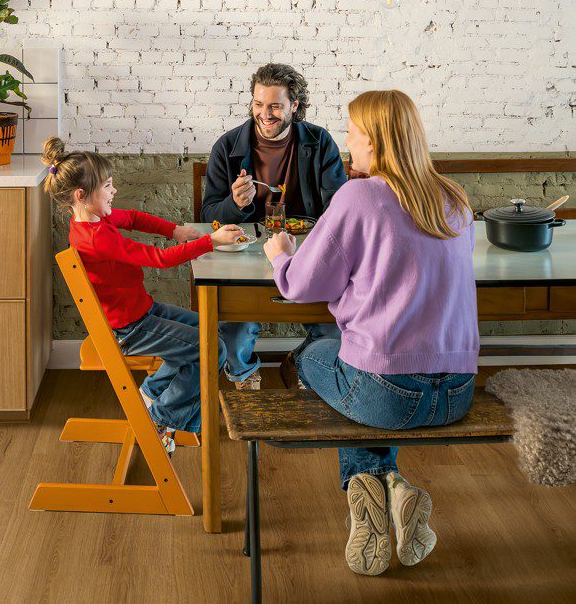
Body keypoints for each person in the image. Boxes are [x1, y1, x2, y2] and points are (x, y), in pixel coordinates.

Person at [263, 91, 478, 576]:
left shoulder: (360, 196)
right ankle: (394, 486)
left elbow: (301, 285)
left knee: (312, 354)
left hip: (388, 396)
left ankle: (363, 482)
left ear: (376, 142)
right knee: (360, 363)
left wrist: (280, 255)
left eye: (353, 134)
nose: (348, 143)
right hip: (458, 393)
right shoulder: (454, 197)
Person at [43, 138, 242, 454]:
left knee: (210, 335)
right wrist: (211, 242)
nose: (114, 191)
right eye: (107, 186)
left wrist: (175, 230)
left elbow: (134, 218)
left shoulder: (96, 220)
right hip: (131, 329)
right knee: (210, 348)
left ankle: (151, 394)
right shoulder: (97, 239)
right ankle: (161, 418)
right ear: (81, 195)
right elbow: (159, 259)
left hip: (142, 312)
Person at [201, 62, 347, 390]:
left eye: (275, 106)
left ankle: (302, 363)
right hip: (245, 256)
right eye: (258, 104)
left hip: (308, 253)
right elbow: (209, 216)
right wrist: (235, 204)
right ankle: (243, 376)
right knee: (235, 327)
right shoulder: (227, 146)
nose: (264, 115)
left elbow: (339, 208)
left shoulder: (320, 142)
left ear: (295, 105)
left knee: (334, 328)